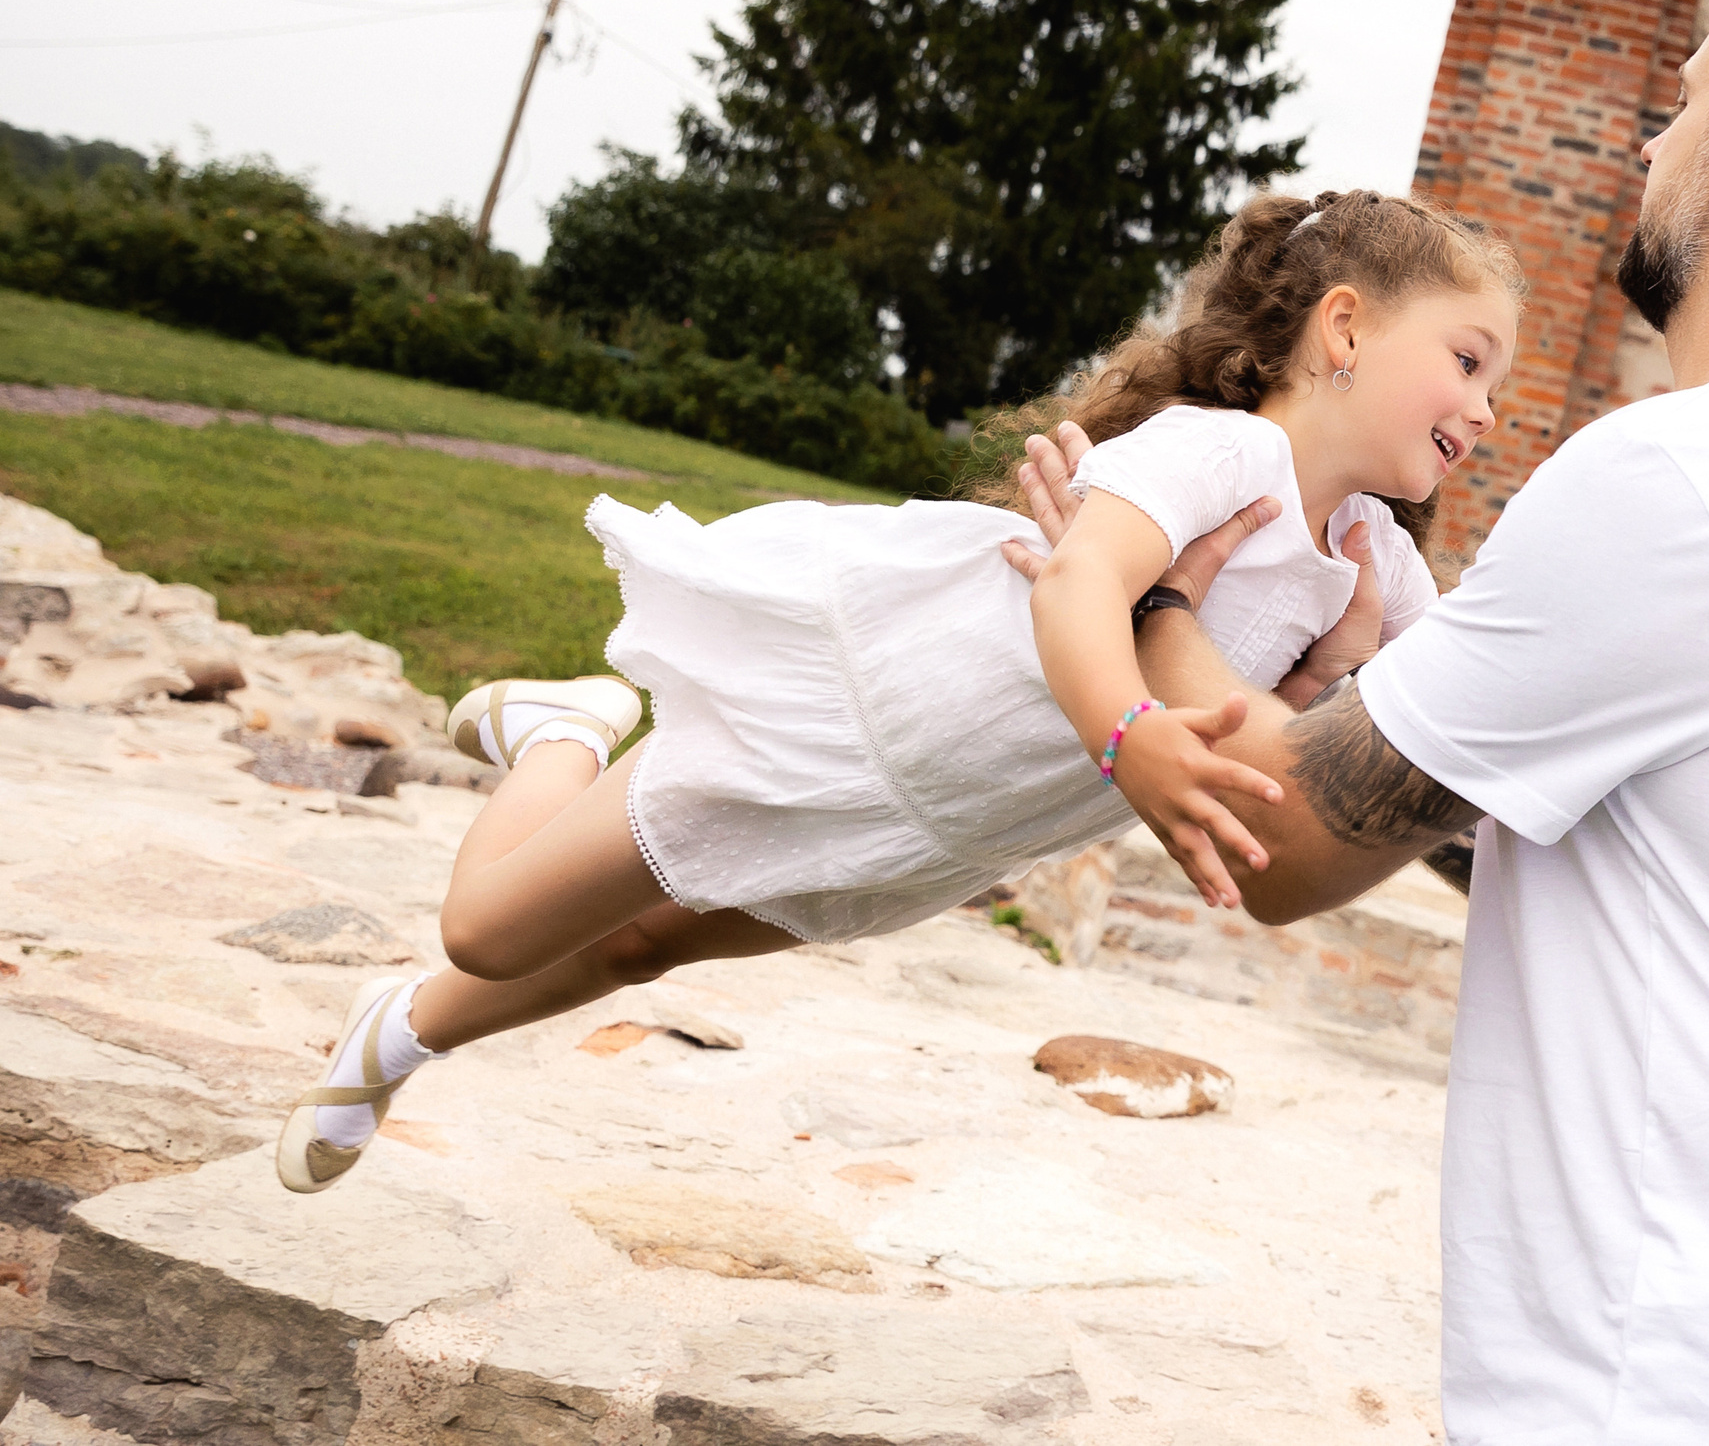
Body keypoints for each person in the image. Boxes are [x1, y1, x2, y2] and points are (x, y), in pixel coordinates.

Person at [1066, 0, 1709, 1441]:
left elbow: (1286, 841)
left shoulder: (1685, 479)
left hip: (1671, 1382)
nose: (1651, 141)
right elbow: (1602, 832)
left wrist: (1151, 591)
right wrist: (1356, 687)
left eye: (1682, 105)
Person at [272, 187, 1522, 1195]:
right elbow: (1078, 586)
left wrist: (1328, 677)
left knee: (644, 949)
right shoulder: (1223, 450)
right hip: (855, 724)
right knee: (485, 930)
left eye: (1494, 387)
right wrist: (1131, 735)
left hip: (940, 825)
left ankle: (402, 1032)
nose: (1482, 410)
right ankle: (562, 734)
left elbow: (1454, 720)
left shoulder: (1376, 563)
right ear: (1344, 330)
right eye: (1466, 362)